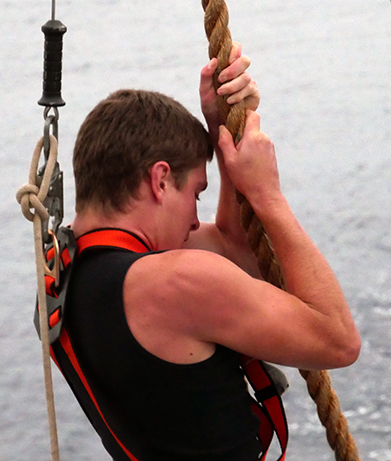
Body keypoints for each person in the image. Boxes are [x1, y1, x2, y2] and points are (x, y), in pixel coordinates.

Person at [55, 44, 360, 460]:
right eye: (197, 193)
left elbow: (236, 248)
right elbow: (339, 342)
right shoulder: (174, 284)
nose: (196, 221)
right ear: (160, 181)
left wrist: (222, 131)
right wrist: (266, 195)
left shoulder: (64, 272)